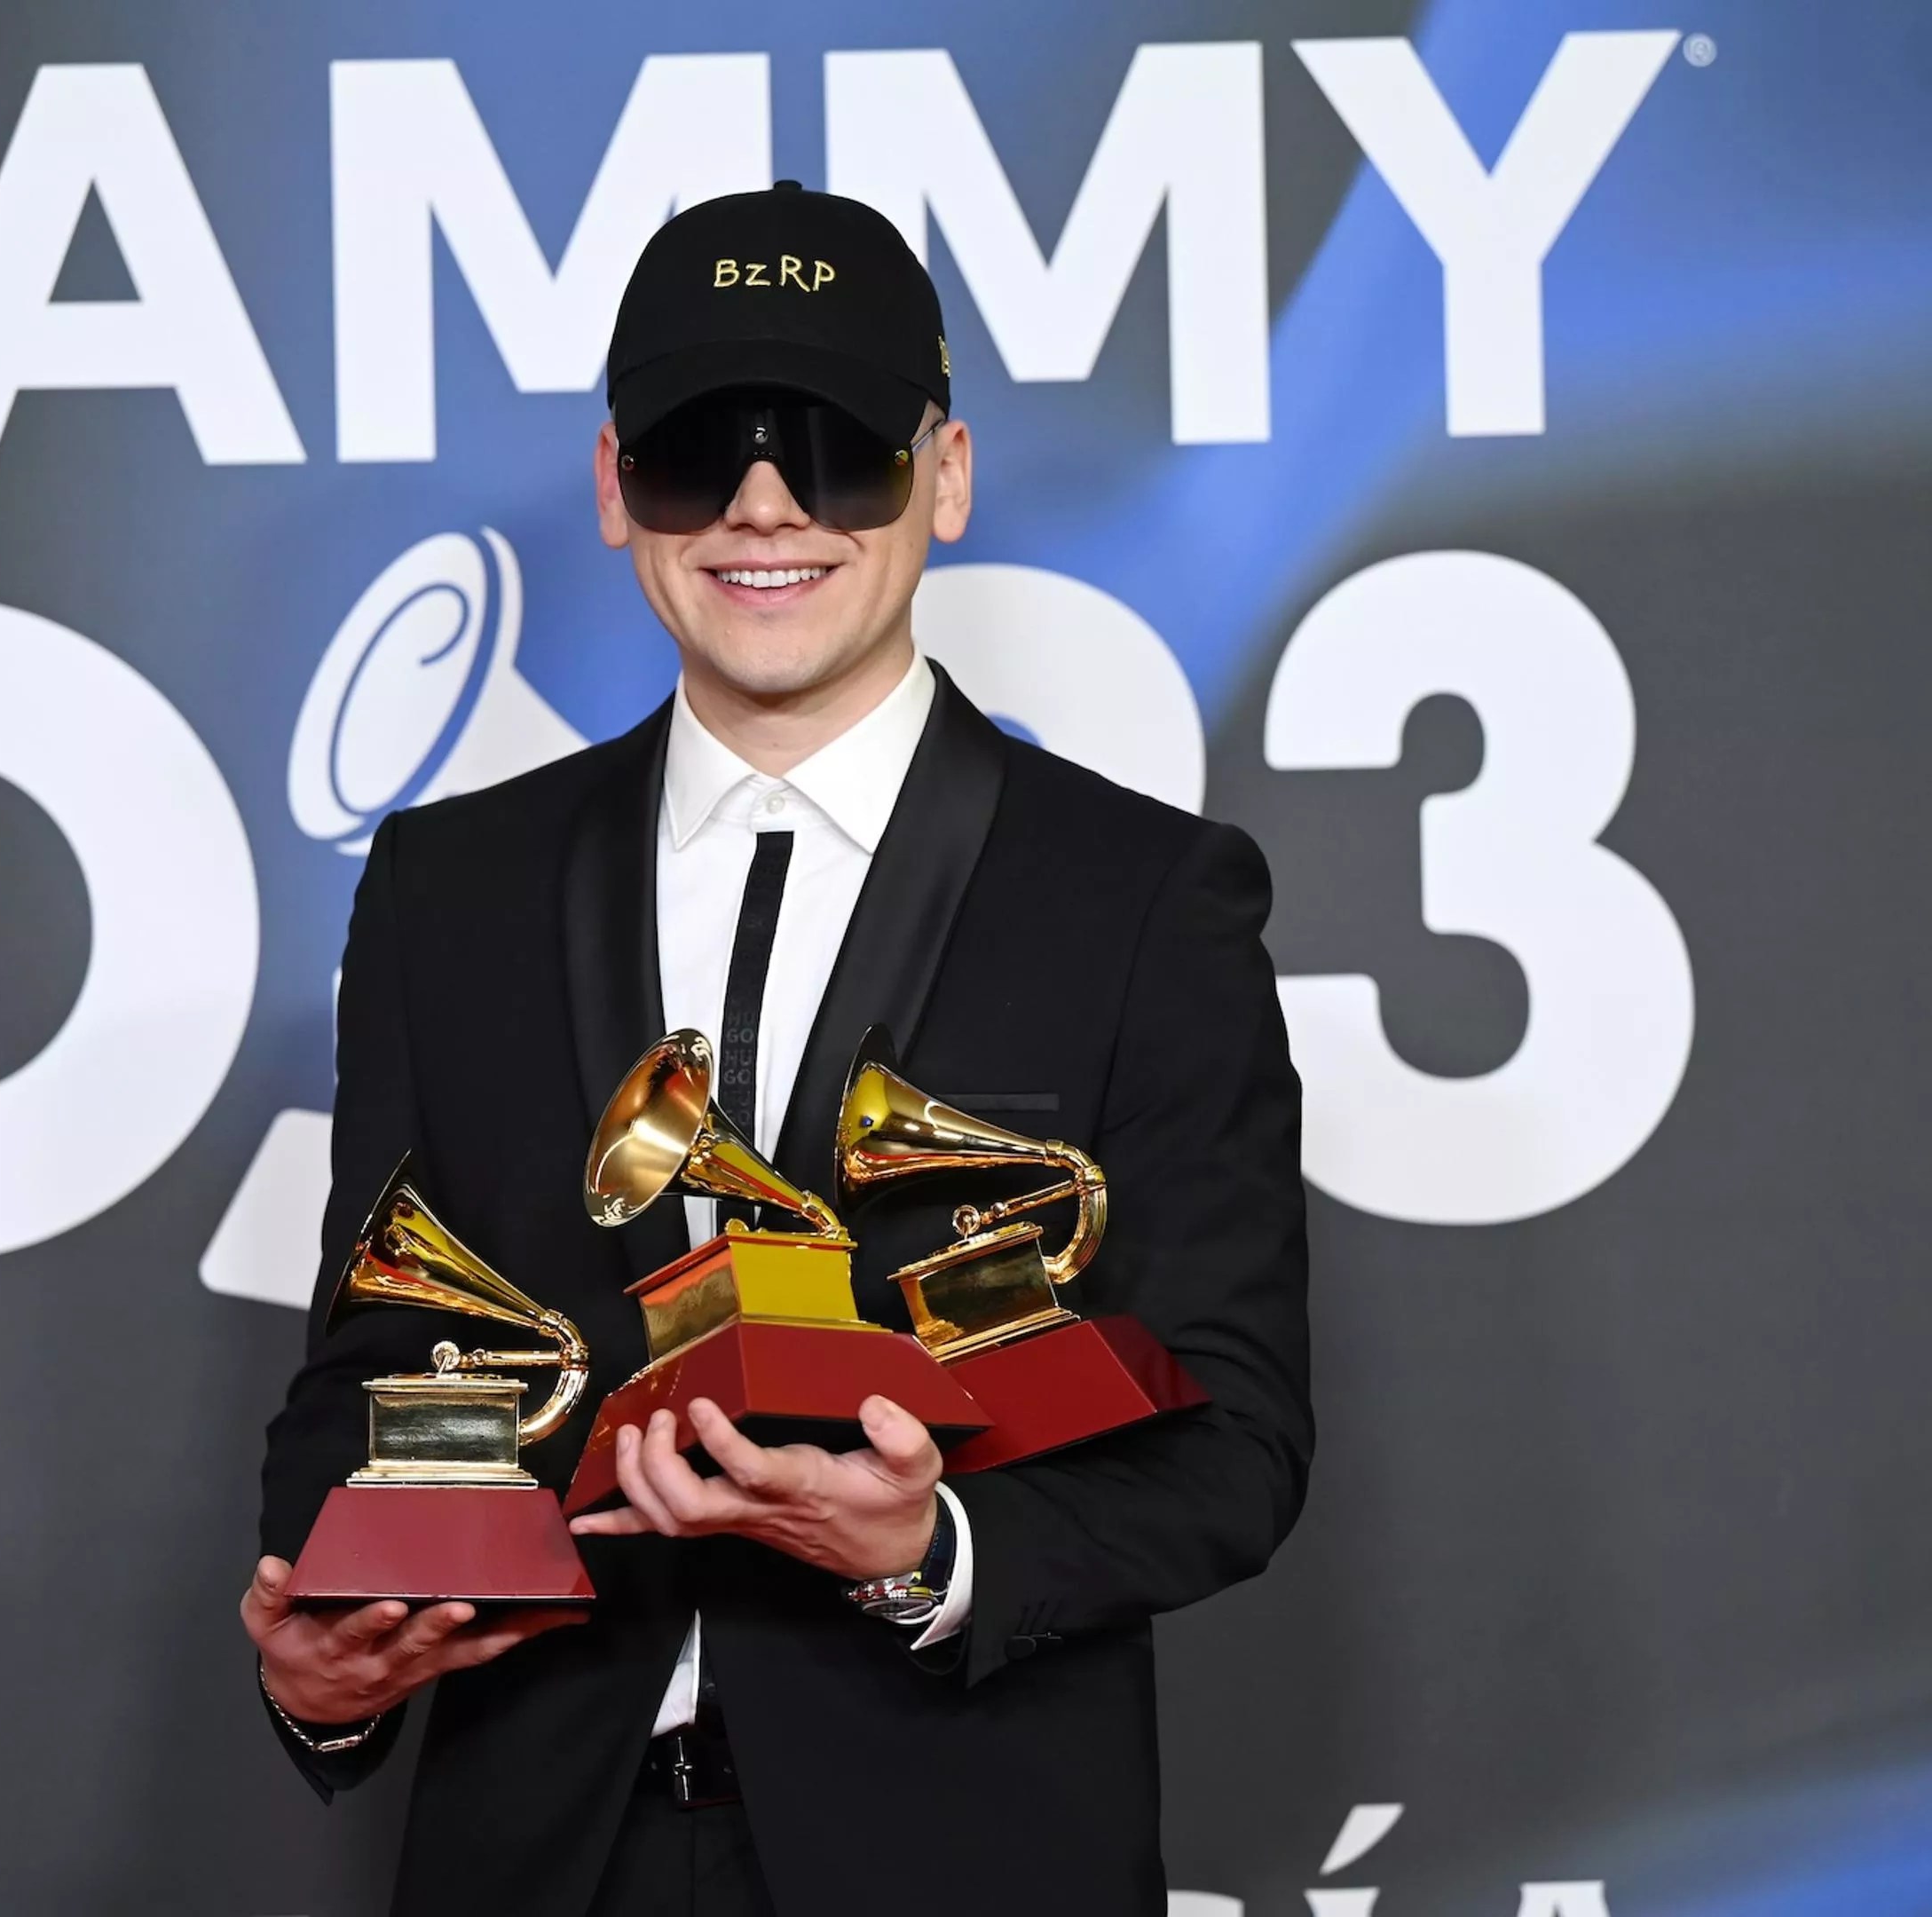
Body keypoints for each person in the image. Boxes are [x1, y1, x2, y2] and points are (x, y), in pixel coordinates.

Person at [240, 180, 1312, 1916]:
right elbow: (371, 1362)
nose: (762, 505)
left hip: (965, 1862)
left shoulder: (1144, 899)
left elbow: (1238, 1433)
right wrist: (327, 1658)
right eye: (694, 451)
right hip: (536, 1865)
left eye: (835, 449)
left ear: (945, 478)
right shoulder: (448, 891)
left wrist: (931, 1554)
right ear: (613, 491)